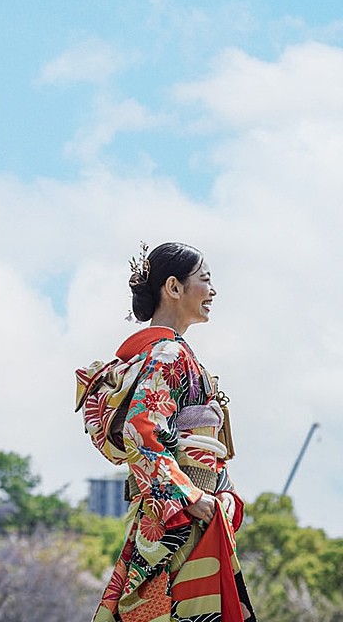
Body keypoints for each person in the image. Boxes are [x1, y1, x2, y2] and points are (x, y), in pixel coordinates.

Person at [92, 242, 256, 622]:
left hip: (192, 509)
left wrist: (224, 493)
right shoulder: (168, 354)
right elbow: (140, 428)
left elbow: (207, 446)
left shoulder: (177, 355)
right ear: (174, 287)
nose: (212, 291)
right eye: (205, 280)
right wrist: (187, 495)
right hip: (177, 516)